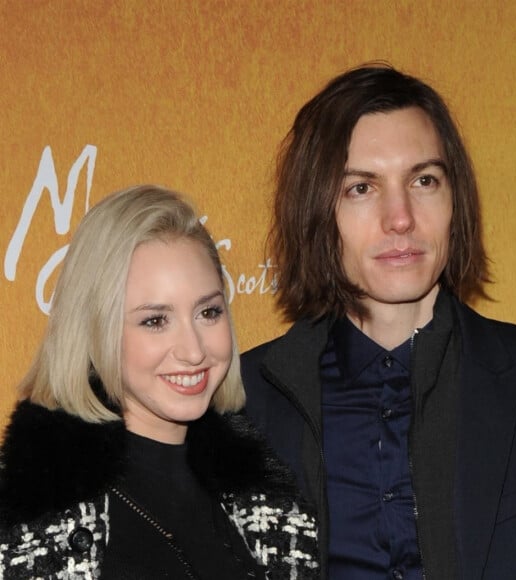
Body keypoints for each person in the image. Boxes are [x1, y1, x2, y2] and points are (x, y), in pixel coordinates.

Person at [241, 63, 516, 579]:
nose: (400, 217)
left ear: (454, 200)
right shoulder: (242, 404)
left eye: (423, 180)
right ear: (315, 211)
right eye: (361, 188)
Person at [0, 185, 319, 579]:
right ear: (95, 331)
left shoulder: (265, 497)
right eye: (155, 320)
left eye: (208, 312)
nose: (193, 350)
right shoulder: (41, 519)